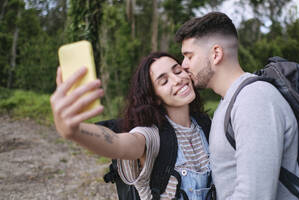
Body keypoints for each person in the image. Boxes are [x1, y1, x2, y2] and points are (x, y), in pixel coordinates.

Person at [50, 52, 213, 200]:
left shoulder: (207, 125)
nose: (178, 80)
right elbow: (118, 144)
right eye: (164, 81)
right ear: (155, 98)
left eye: (178, 71)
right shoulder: (151, 136)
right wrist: (75, 131)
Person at [175, 12, 299, 200]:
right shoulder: (230, 101)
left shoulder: (254, 100)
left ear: (216, 54)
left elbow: (255, 195)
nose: (183, 65)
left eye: (189, 56)